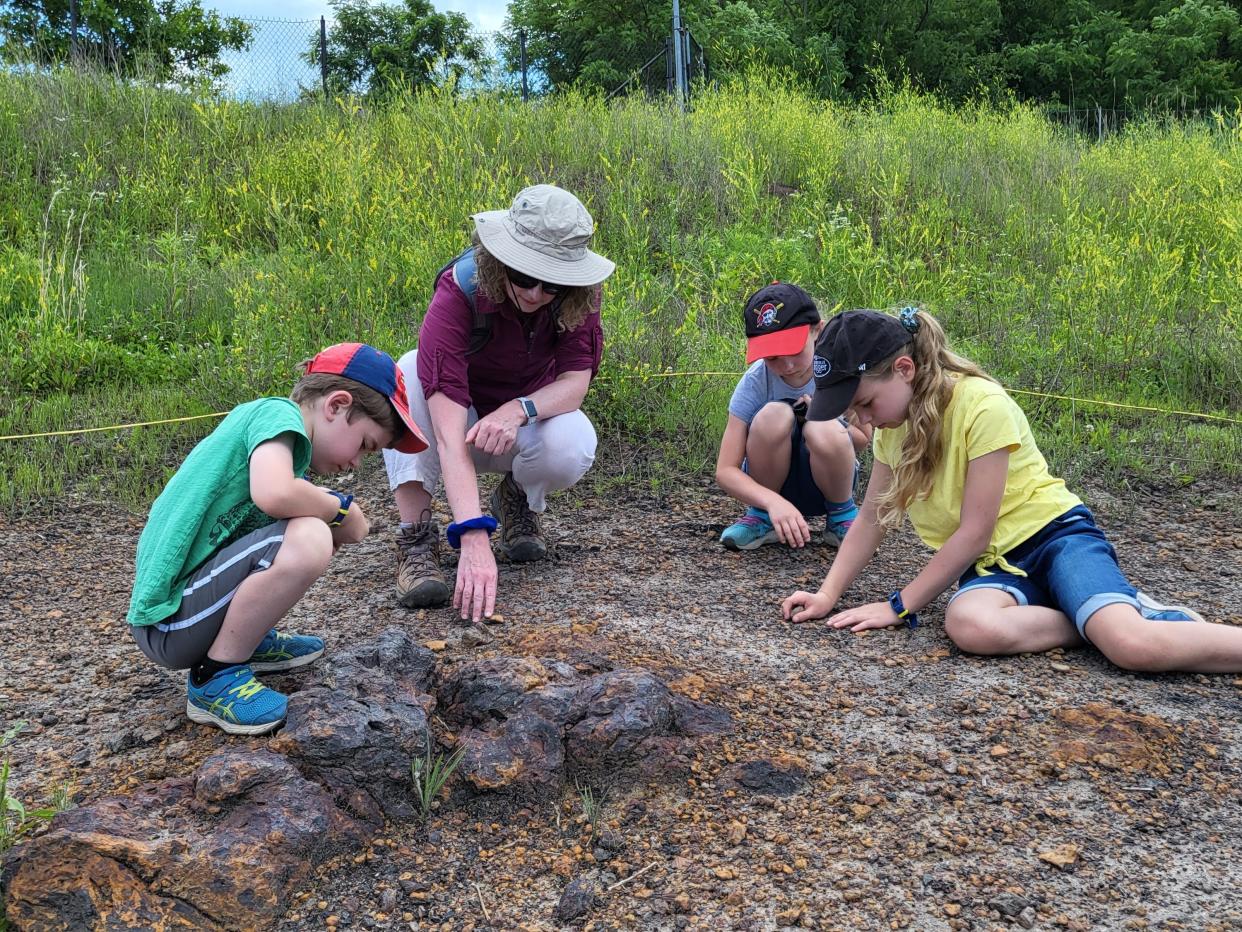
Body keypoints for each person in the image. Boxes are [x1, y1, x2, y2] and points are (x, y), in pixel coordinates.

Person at [780, 307, 1242, 674]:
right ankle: (1090, 619)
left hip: (1055, 539)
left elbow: (974, 532)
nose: (862, 421)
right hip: (994, 568)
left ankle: (1120, 621)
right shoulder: (891, 427)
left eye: (864, 404)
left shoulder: (982, 403)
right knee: (969, 626)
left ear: (905, 369)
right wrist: (827, 595)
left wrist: (898, 605)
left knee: (1132, 646)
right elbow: (873, 517)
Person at [127, 343, 427, 735]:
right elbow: (273, 494)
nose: (357, 462)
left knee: (310, 527)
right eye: (366, 446)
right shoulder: (276, 415)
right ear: (336, 405)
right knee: (311, 535)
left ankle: (245, 640)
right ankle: (214, 676)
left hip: (186, 616)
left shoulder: (282, 448)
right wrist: (341, 509)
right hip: (167, 622)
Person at [384, 184, 615, 622]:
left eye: (553, 284)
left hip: (519, 420)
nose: (535, 293)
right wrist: (472, 535)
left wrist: (517, 410)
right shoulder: (460, 289)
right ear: (501, 260)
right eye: (524, 276)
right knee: (411, 371)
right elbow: (450, 438)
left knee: (574, 440)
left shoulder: (580, 298)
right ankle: (416, 535)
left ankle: (516, 499)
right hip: (457, 418)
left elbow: (574, 383)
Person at [715, 282, 867, 551]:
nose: (786, 366)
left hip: (828, 484)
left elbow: (863, 440)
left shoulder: (840, 373)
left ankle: (842, 518)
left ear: (817, 331)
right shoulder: (756, 381)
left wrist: (821, 414)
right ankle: (762, 519)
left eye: (795, 351)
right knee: (772, 414)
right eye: (772, 357)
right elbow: (725, 470)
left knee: (821, 426)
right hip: (771, 491)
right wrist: (771, 502)